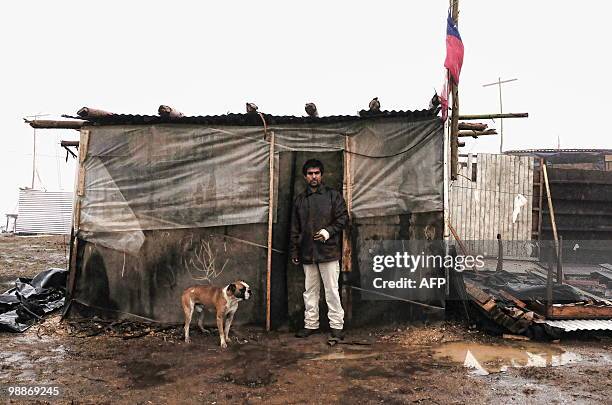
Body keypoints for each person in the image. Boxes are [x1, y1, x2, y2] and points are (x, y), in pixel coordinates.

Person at [290, 159, 348, 339]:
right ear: (305, 176)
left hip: (329, 252)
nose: (313, 176)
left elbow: (343, 218)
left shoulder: (333, 195)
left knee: (331, 290)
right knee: (310, 291)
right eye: (310, 173)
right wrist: (295, 251)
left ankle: (337, 326)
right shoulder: (300, 200)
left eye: (316, 173)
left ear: (321, 175)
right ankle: (310, 324)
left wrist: (328, 232)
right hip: (307, 252)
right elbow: (294, 228)